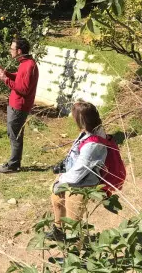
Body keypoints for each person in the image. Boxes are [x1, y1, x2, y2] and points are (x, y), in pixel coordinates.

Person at [46, 101, 108, 241]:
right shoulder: (88, 132)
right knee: (56, 199)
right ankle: (58, 231)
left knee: (73, 221)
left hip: (81, 184)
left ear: (81, 121)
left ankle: (74, 255)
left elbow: (78, 173)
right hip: (72, 177)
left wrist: (60, 181)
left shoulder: (93, 143)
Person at [0, 37, 39, 173]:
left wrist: (5, 79)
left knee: (15, 135)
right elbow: (20, 77)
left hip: (20, 105)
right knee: (12, 133)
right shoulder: (24, 63)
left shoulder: (29, 65)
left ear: (19, 51)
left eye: (12, 49)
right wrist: (7, 74)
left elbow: (24, 89)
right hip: (15, 104)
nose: (10, 51)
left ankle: (14, 165)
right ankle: (14, 162)